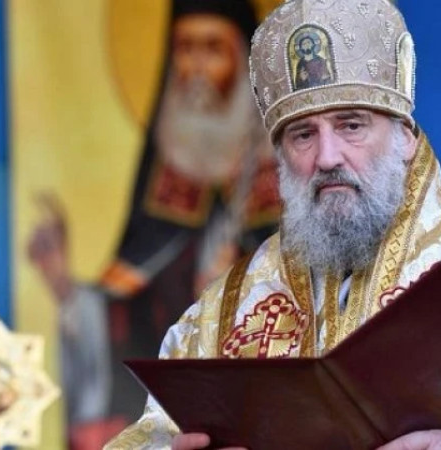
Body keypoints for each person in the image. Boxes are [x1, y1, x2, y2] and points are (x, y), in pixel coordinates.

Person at [105, 0, 441, 448]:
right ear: (279, 156)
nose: (327, 157)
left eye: (351, 126)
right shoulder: (227, 309)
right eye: (303, 134)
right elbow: (147, 436)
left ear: (404, 135)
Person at [29, 2, 281, 447]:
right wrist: (65, 288)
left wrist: (241, 289)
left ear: (244, 62)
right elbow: (120, 314)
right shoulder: (162, 185)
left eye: (213, 48)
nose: (196, 66)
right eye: (185, 47)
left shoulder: (280, 184)